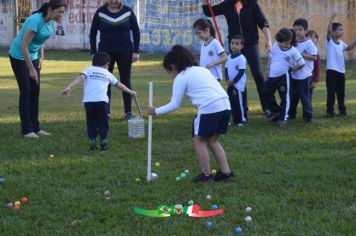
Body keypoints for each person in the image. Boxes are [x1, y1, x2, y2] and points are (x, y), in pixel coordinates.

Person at [147, 45, 235, 183]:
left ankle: (206, 175)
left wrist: (155, 111)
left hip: (209, 108)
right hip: (225, 106)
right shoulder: (201, 70)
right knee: (212, 140)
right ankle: (226, 173)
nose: (171, 75)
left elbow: (175, 105)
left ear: (173, 66)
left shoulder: (181, 77)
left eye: (169, 71)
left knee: (198, 139)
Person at [8, 0, 67, 138]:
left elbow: (40, 40)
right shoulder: (36, 21)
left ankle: (36, 127)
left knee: (35, 91)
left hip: (33, 56)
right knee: (26, 90)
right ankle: (27, 130)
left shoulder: (50, 20)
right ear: (51, 10)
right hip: (18, 55)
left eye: (63, 12)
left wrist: (41, 57)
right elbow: (23, 45)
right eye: (59, 12)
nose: (61, 15)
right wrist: (31, 69)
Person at [202, 0, 272, 112]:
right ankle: (240, 107)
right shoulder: (227, 4)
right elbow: (208, 12)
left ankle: (268, 106)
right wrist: (205, 2)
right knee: (235, 76)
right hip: (235, 44)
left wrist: (268, 40)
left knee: (257, 73)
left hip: (251, 43)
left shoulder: (252, 3)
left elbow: (263, 22)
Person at [60, 52, 136, 151]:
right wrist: (130, 92)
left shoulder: (88, 69)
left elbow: (80, 78)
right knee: (103, 122)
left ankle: (92, 142)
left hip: (89, 102)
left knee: (91, 122)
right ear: (106, 65)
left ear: (93, 63)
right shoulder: (107, 73)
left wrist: (69, 87)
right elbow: (119, 85)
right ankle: (103, 142)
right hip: (102, 102)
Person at [90, 0, 140, 120]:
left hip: (125, 52)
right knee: (105, 81)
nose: (113, 1)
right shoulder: (100, 12)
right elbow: (92, 34)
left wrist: (136, 51)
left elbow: (136, 32)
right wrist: (93, 52)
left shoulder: (128, 11)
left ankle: (128, 112)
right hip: (105, 54)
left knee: (125, 81)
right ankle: (106, 112)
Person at [264, 28, 305, 127]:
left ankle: (283, 118)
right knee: (265, 93)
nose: (278, 43)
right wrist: (268, 70)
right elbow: (271, 57)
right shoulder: (275, 45)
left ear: (288, 41)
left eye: (281, 42)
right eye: (278, 41)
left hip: (283, 77)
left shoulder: (293, 51)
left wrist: (291, 69)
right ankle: (276, 111)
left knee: (284, 98)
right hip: (272, 76)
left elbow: (302, 63)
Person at [325, 13, 356, 117]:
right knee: (331, 93)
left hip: (341, 72)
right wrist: (331, 18)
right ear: (333, 32)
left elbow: (348, 48)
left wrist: (355, 41)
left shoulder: (341, 43)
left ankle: (342, 111)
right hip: (331, 72)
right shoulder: (329, 42)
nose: (342, 31)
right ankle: (330, 111)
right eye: (340, 30)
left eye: (342, 30)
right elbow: (328, 31)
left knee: (341, 93)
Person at [288, 18, 317, 122]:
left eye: (300, 29)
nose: (297, 32)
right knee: (293, 96)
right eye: (295, 29)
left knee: (304, 96)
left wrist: (301, 55)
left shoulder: (309, 43)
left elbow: (314, 57)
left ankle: (309, 115)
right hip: (294, 74)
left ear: (305, 30)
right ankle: (291, 114)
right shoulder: (293, 42)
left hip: (304, 75)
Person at [225, 35, 248, 126]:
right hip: (230, 84)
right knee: (230, 103)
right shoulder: (229, 57)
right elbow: (226, 69)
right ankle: (233, 119)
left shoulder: (241, 58)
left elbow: (241, 72)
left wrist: (234, 81)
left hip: (238, 85)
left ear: (242, 46)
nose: (234, 45)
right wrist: (227, 79)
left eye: (237, 44)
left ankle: (243, 119)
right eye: (232, 43)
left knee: (239, 102)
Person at [306, 30, 321, 112]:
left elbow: (318, 68)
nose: (313, 39)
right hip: (302, 78)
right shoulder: (304, 51)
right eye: (310, 37)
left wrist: (315, 81)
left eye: (315, 37)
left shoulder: (316, 53)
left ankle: (309, 113)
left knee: (308, 96)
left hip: (311, 79)